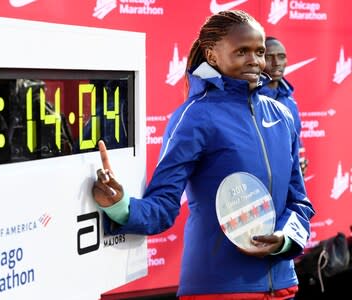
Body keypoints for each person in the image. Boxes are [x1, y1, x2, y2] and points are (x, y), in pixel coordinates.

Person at [92, 10, 315, 299]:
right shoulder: (195, 116)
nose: (255, 61)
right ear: (211, 55)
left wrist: (284, 240)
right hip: (218, 289)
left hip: (283, 286)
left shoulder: (282, 115)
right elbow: (162, 206)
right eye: (241, 51)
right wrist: (120, 206)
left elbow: (299, 202)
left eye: (259, 51)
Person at [260, 37, 308, 176]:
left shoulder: (288, 98)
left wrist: (299, 160)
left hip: (288, 178)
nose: (276, 63)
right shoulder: (250, 98)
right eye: (269, 57)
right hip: (262, 179)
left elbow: (295, 137)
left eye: (281, 57)